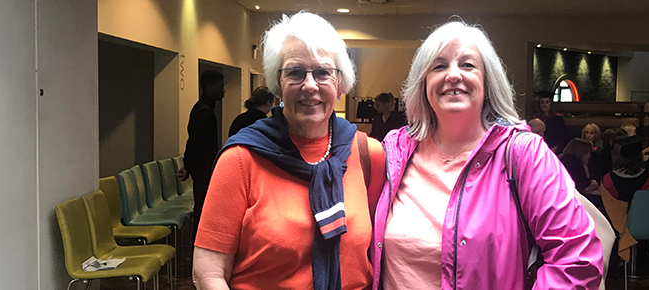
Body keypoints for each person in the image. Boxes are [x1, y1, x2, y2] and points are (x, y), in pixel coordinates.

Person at [373, 21, 603, 290]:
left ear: (487, 81)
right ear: (423, 83)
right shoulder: (393, 152)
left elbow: (577, 260)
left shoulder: (525, 154)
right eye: (439, 66)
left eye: (468, 65)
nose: (453, 75)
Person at [193, 12, 387, 290]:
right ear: (278, 84)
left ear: (340, 84)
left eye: (323, 72)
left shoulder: (369, 155)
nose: (310, 85)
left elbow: (374, 253)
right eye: (295, 72)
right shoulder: (240, 159)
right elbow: (208, 273)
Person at [599, 135, 649, 276]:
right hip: (646, 226)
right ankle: (642, 260)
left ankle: (619, 262)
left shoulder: (609, 180)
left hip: (616, 228)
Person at [180, 69, 225, 242]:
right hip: (203, 169)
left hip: (202, 168)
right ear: (210, 87)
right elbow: (195, 143)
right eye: (220, 86)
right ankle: (199, 244)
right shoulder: (205, 112)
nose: (223, 91)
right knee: (202, 208)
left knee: (203, 207)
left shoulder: (202, 108)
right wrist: (188, 167)